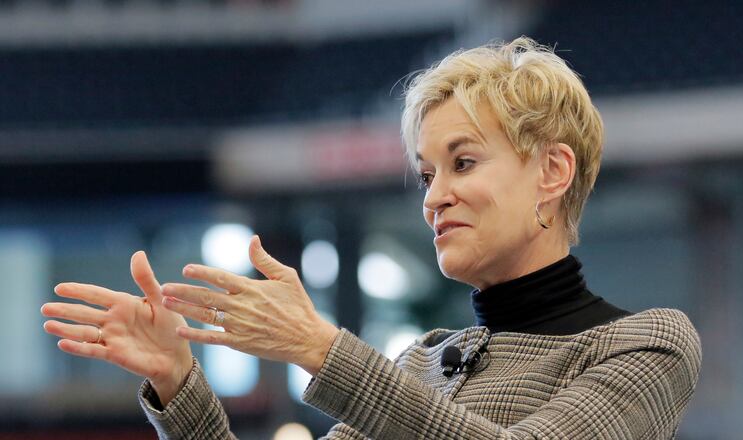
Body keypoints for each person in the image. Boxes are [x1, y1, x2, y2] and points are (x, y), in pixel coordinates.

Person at [40, 37, 701, 439]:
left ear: (553, 171)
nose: (433, 197)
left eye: (464, 162)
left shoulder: (645, 344)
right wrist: (178, 381)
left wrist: (319, 347)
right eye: (426, 174)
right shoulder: (422, 362)